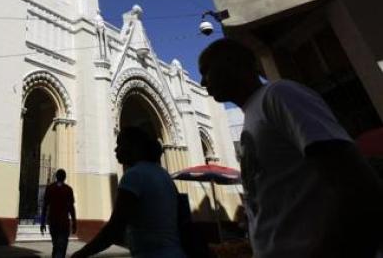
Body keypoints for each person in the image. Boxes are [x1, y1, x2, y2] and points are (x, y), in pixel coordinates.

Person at [198, 38, 383, 258]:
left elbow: (356, 182)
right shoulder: (253, 115)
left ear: (233, 64)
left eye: (206, 71)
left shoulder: (279, 95)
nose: (202, 82)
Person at [72, 127, 185, 258]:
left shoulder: (134, 176)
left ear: (135, 147)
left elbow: (115, 228)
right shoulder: (164, 175)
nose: (116, 149)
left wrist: (81, 253)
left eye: (120, 144)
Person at [41, 168, 77, 258]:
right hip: (64, 223)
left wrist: (42, 223)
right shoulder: (68, 189)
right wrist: (74, 222)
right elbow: (71, 208)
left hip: (53, 222)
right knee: (61, 247)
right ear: (65, 177)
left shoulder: (49, 188)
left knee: (56, 246)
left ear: (56, 177)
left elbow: (45, 206)